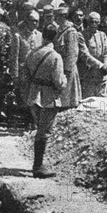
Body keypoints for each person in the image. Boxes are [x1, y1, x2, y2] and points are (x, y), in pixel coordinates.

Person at [21, 25, 67, 179]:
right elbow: (59, 81)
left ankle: (37, 164)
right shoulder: (55, 56)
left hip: (34, 94)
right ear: (56, 38)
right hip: (47, 97)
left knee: (39, 129)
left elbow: (25, 75)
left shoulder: (32, 53)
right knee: (44, 132)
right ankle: (38, 166)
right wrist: (64, 83)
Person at [79, 12, 107, 98]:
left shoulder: (102, 35)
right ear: (88, 22)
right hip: (89, 73)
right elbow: (85, 54)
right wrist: (100, 65)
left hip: (101, 75)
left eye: (96, 22)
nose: (93, 24)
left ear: (99, 23)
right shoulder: (82, 35)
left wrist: (106, 65)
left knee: (103, 100)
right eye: (91, 22)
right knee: (89, 100)